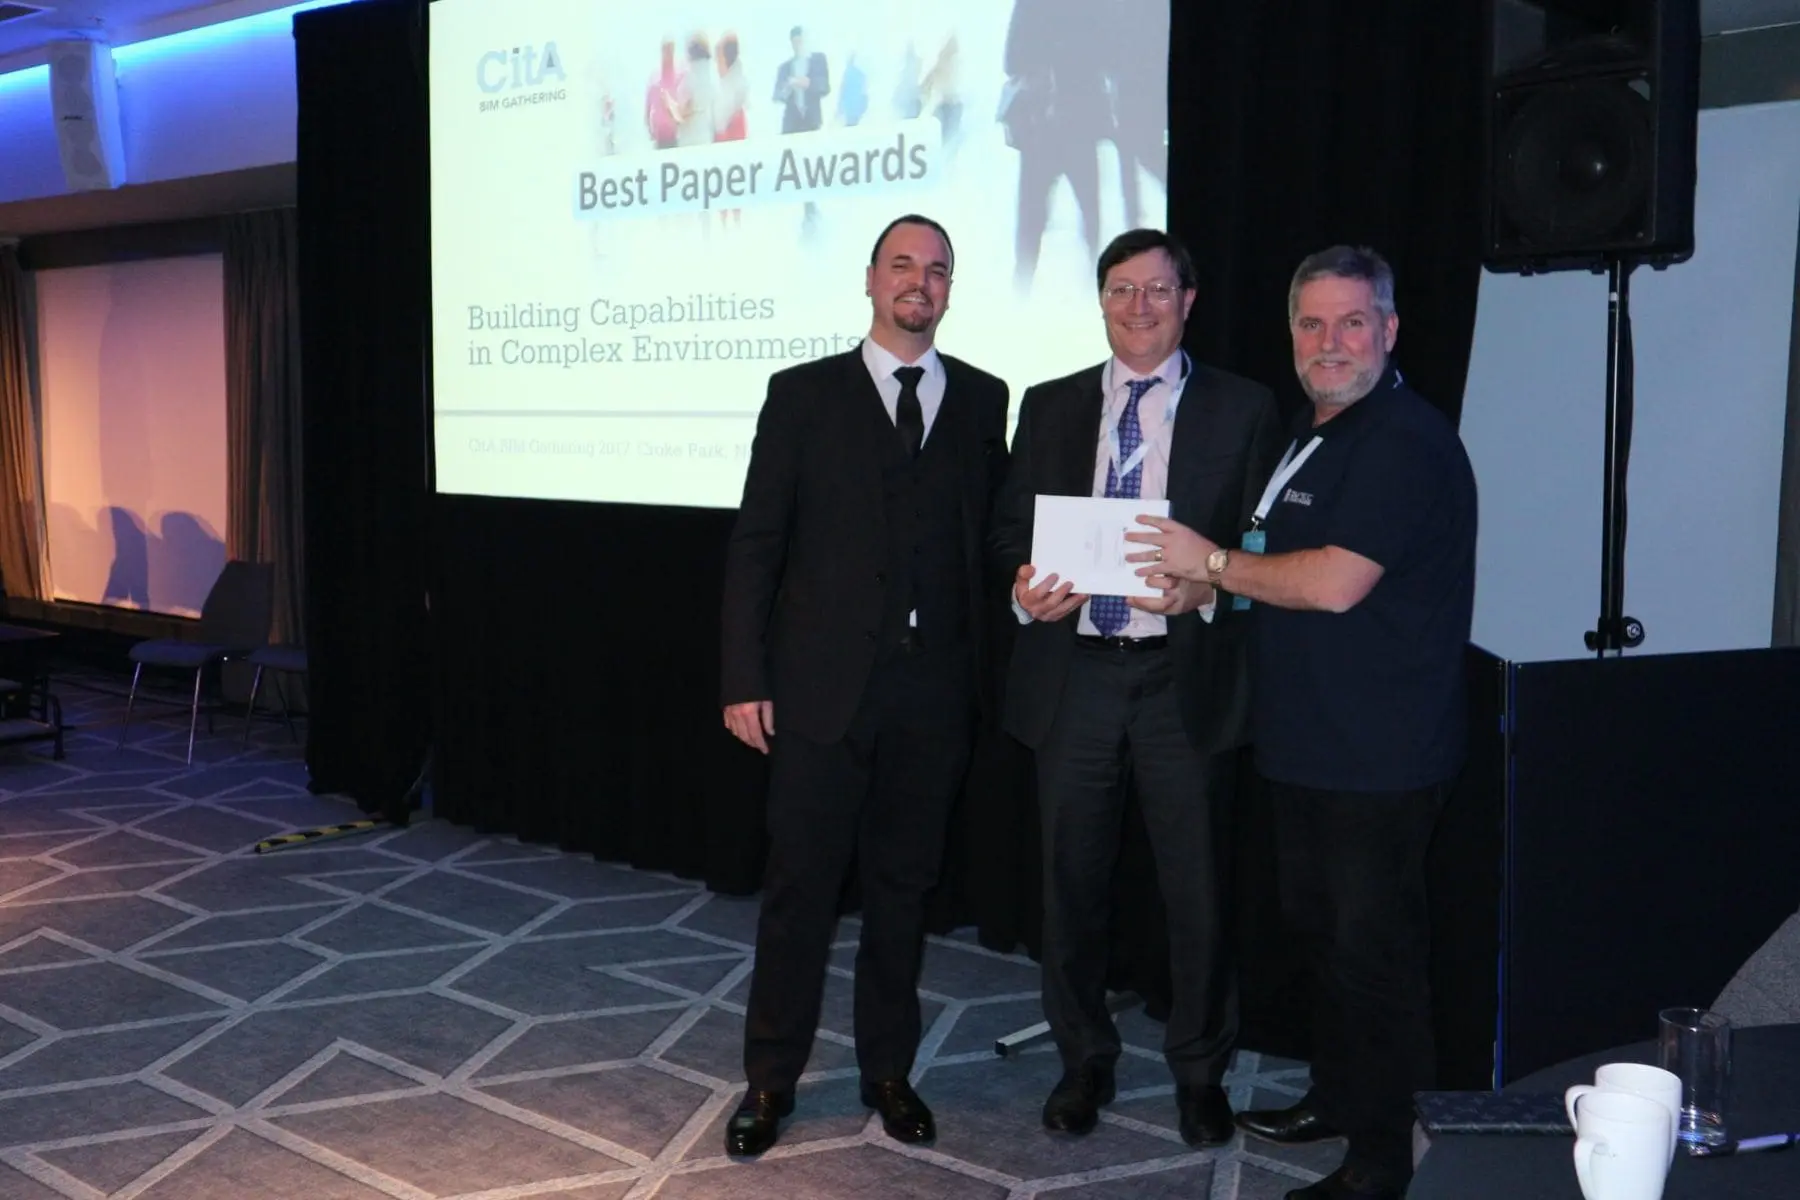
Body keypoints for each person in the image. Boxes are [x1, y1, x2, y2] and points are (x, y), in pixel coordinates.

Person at [1123, 245, 1477, 1200]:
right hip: (1310, 744)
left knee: (1373, 963)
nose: (1330, 342)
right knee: (1325, 942)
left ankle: (1383, 1161)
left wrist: (1209, 565)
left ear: (1389, 329)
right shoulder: (1313, 431)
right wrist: (1202, 592)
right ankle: (1341, 1096)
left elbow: (1331, 583)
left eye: (1351, 322)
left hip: (1380, 756)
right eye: (1312, 324)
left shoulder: (1401, 441)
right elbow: (1271, 563)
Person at [719, 215, 1011, 1158]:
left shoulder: (984, 399)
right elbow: (757, 543)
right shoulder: (801, 394)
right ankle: (770, 1079)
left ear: (950, 289)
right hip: (820, 694)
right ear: (872, 280)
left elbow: (990, 540)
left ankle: (888, 1070)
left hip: (935, 698)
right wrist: (743, 675)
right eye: (903, 266)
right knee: (798, 892)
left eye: (937, 270)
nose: (919, 282)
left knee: (902, 894)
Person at [991, 228, 1283, 1145]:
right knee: (1069, 883)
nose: (1139, 307)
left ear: (1188, 301)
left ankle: (1200, 1071)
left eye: (1158, 290)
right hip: (1074, 672)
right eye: (1122, 290)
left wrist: (1214, 588)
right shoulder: (1050, 404)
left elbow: (1268, 542)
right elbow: (1007, 530)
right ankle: (1084, 1059)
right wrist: (1023, 589)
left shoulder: (1244, 407)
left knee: (1197, 890)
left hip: (1180, 676)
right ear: (1102, 301)